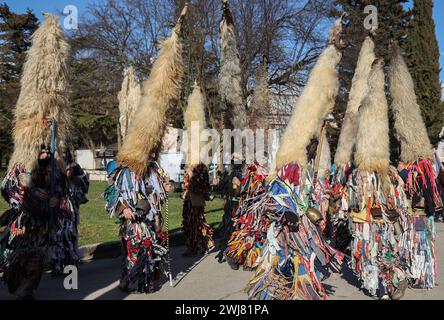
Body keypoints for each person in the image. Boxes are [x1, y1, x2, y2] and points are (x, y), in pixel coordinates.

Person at [1, 146, 69, 299]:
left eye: (47, 151)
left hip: (43, 225)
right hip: (24, 222)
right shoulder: (20, 167)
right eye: (42, 151)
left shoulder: (55, 170)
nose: (45, 154)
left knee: (37, 258)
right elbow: (7, 188)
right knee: (16, 258)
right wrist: (31, 194)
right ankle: (18, 285)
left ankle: (26, 290)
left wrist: (56, 200)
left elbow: (63, 190)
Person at [181, 164, 215, 256]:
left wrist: (189, 184)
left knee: (197, 224)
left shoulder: (200, 171)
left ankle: (203, 245)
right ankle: (193, 247)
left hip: (196, 203)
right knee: (190, 226)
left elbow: (201, 187)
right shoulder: (190, 173)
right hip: (189, 203)